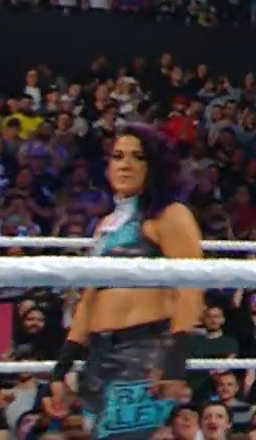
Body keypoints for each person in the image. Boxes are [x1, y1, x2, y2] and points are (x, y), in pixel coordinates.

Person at [54, 123, 203, 440]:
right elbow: (90, 295)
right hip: (98, 354)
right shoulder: (106, 225)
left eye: (138, 156)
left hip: (143, 352)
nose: (125, 164)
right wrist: (64, 362)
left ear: (155, 165)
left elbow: (191, 289)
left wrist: (175, 361)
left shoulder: (170, 215)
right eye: (118, 156)